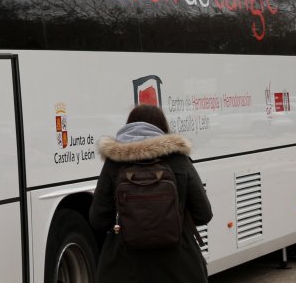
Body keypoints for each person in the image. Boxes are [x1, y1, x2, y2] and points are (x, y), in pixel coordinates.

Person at [89, 104, 212, 282]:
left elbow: (98, 220)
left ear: (129, 125)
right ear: (163, 127)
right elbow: (203, 214)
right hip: (179, 267)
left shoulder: (114, 163)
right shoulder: (178, 160)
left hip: (123, 267)